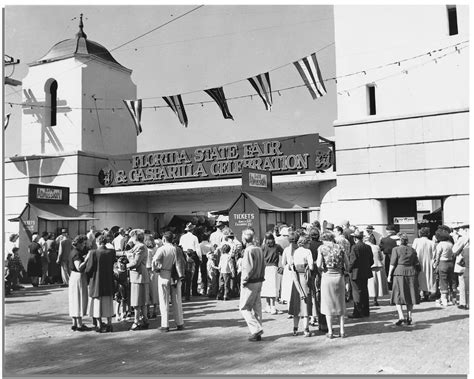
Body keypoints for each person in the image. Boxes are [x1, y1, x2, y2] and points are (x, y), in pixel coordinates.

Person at [317, 231, 349, 338]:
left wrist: (322, 270)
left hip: (327, 276)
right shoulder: (340, 247)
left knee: (328, 304)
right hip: (339, 277)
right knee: (340, 303)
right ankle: (342, 331)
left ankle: (330, 332)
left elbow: (318, 264)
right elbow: (347, 265)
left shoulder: (322, 248)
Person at [152, 231, 185, 332]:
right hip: (175, 276)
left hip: (164, 274)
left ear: (164, 239)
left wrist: (156, 269)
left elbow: (154, 261)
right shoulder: (177, 249)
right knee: (177, 300)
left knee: (164, 301)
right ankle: (180, 323)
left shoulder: (161, 249)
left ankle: (165, 325)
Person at [388, 233, 421, 325]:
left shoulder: (396, 249)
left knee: (398, 294)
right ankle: (409, 316)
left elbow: (392, 263)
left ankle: (401, 316)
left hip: (399, 272)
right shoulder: (412, 250)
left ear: (399, 241)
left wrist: (389, 275)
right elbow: (417, 263)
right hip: (411, 272)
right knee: (410, 294)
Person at [85, 234, 116, 333]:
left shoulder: (93, 253)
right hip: (108, 280)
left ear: (97, 242)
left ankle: (99, 325)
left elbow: (89, 268)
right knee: (108, 303)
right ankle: (109, 323)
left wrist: (87, 277)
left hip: (96, 281)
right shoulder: (111, 252)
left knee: (97, 304)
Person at [240, 228, 265, 342]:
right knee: (257, 306)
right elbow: (263, 265)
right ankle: (257, 331)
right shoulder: (259, 249)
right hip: (259, 280)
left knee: (244, 307)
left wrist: (244, 280)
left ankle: (256, 330)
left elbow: (247, 268)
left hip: (250, 282)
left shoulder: (248, 251)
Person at [288, 235, 314, 337]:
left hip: (296, 279)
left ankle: (295, 329)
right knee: (305, 304)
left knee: (296, 304)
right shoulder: (308, 252)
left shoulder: (295, 251)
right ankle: (306, 330)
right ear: (306, 243)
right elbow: (311, 267)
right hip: (304, 278)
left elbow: (291, 265)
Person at [127, 230, 150, 331]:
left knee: (137, 300)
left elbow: (136, 262)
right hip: (138, 275)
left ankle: (137, 321)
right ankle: (144, 319)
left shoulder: (140, 247)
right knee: (142, 300)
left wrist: (125, 266)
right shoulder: (139, 246)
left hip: (138, 275)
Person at [348, 230, 374, 318]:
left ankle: (357, 312)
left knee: (356, 292)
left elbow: (352, 261)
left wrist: (348, 269)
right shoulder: (368, 247)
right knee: (364, 291)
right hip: (365, 272)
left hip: (356, 272)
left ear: (355, 238)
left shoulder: (355, 247)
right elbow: (371, 260)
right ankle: (365, 311)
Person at [68, 235, 90, 331]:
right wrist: (86, 259)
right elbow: (79, 267)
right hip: (79, 276)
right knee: (79, 299)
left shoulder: (73, 251)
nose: (84, 246)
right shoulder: (77, 253)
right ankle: (80, 324)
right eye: (84, 244)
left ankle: (74, 323)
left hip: (73, 276)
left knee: (74, 299)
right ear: (80, 244)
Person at [308, 228, 327, 330]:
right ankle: (320, 319)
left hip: (311, 273)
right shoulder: (322, 245)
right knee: (319, 296)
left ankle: (312, 317)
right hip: (320, 273)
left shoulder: (308, 245)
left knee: (312, 295)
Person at [261, 232, 284, 314]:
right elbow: (283, 253)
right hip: (274, 267)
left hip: (265, 268)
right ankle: (273, 307)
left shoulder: (263, 247)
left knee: (267, 287)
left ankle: (267, 306)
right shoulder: (277, 246)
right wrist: (281, 263)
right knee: (274, 287)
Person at [412, 227, 436, 301]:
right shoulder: (432, 243)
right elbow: (434, 254)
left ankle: (418, 294)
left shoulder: (416, 241)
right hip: (428, 262)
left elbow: (413, 251)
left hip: (418, 262)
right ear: (428, 234)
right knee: (427, 278)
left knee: (419, 278)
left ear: (420, 233)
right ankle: (426, 293)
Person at [433, 228, 455, 307]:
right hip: (451, 262)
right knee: (451, 281)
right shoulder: (450, 244)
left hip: (443, 263)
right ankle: (452, 298)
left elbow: (437, 256)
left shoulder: (440, 244)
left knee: (443, 281)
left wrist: (435, 264)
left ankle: (444, 299)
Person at [179, 223, 202, 297]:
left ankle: (183, 291)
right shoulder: (194, 237)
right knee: (194, 274)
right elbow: (197, 248)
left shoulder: (182, 237)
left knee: (184, 273)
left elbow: (180, 246)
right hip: (192, 254)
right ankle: (193, 291)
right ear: (192, 230)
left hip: (184, 254)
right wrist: (200, 257)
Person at [366, 236, 388, 306]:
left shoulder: (367, 247)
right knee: (378, 284)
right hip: (378, 266)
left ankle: (370, 298)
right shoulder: (377, 247)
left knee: (371, 284)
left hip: (370, 267)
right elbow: (381, 257)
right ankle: (375, 299)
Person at [280, 231, 300, 306]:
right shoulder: (299, 249)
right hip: (297, 269)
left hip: (288, 270)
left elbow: (283, 262)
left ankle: (289, 309)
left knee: (288, 289)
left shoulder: (286, 249)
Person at [452, 224, 469, 310]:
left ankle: (464, 303)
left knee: (462, 284)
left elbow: (454, 250)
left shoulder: (463, 238)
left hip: (463, 264)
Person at [145, 235, 159, 319]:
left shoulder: (145, 249)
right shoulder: (156, 248)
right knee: (154, 291)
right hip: (154, 271)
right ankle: (154, 310)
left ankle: (147, 311)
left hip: (147, 270)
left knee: (147, 291)